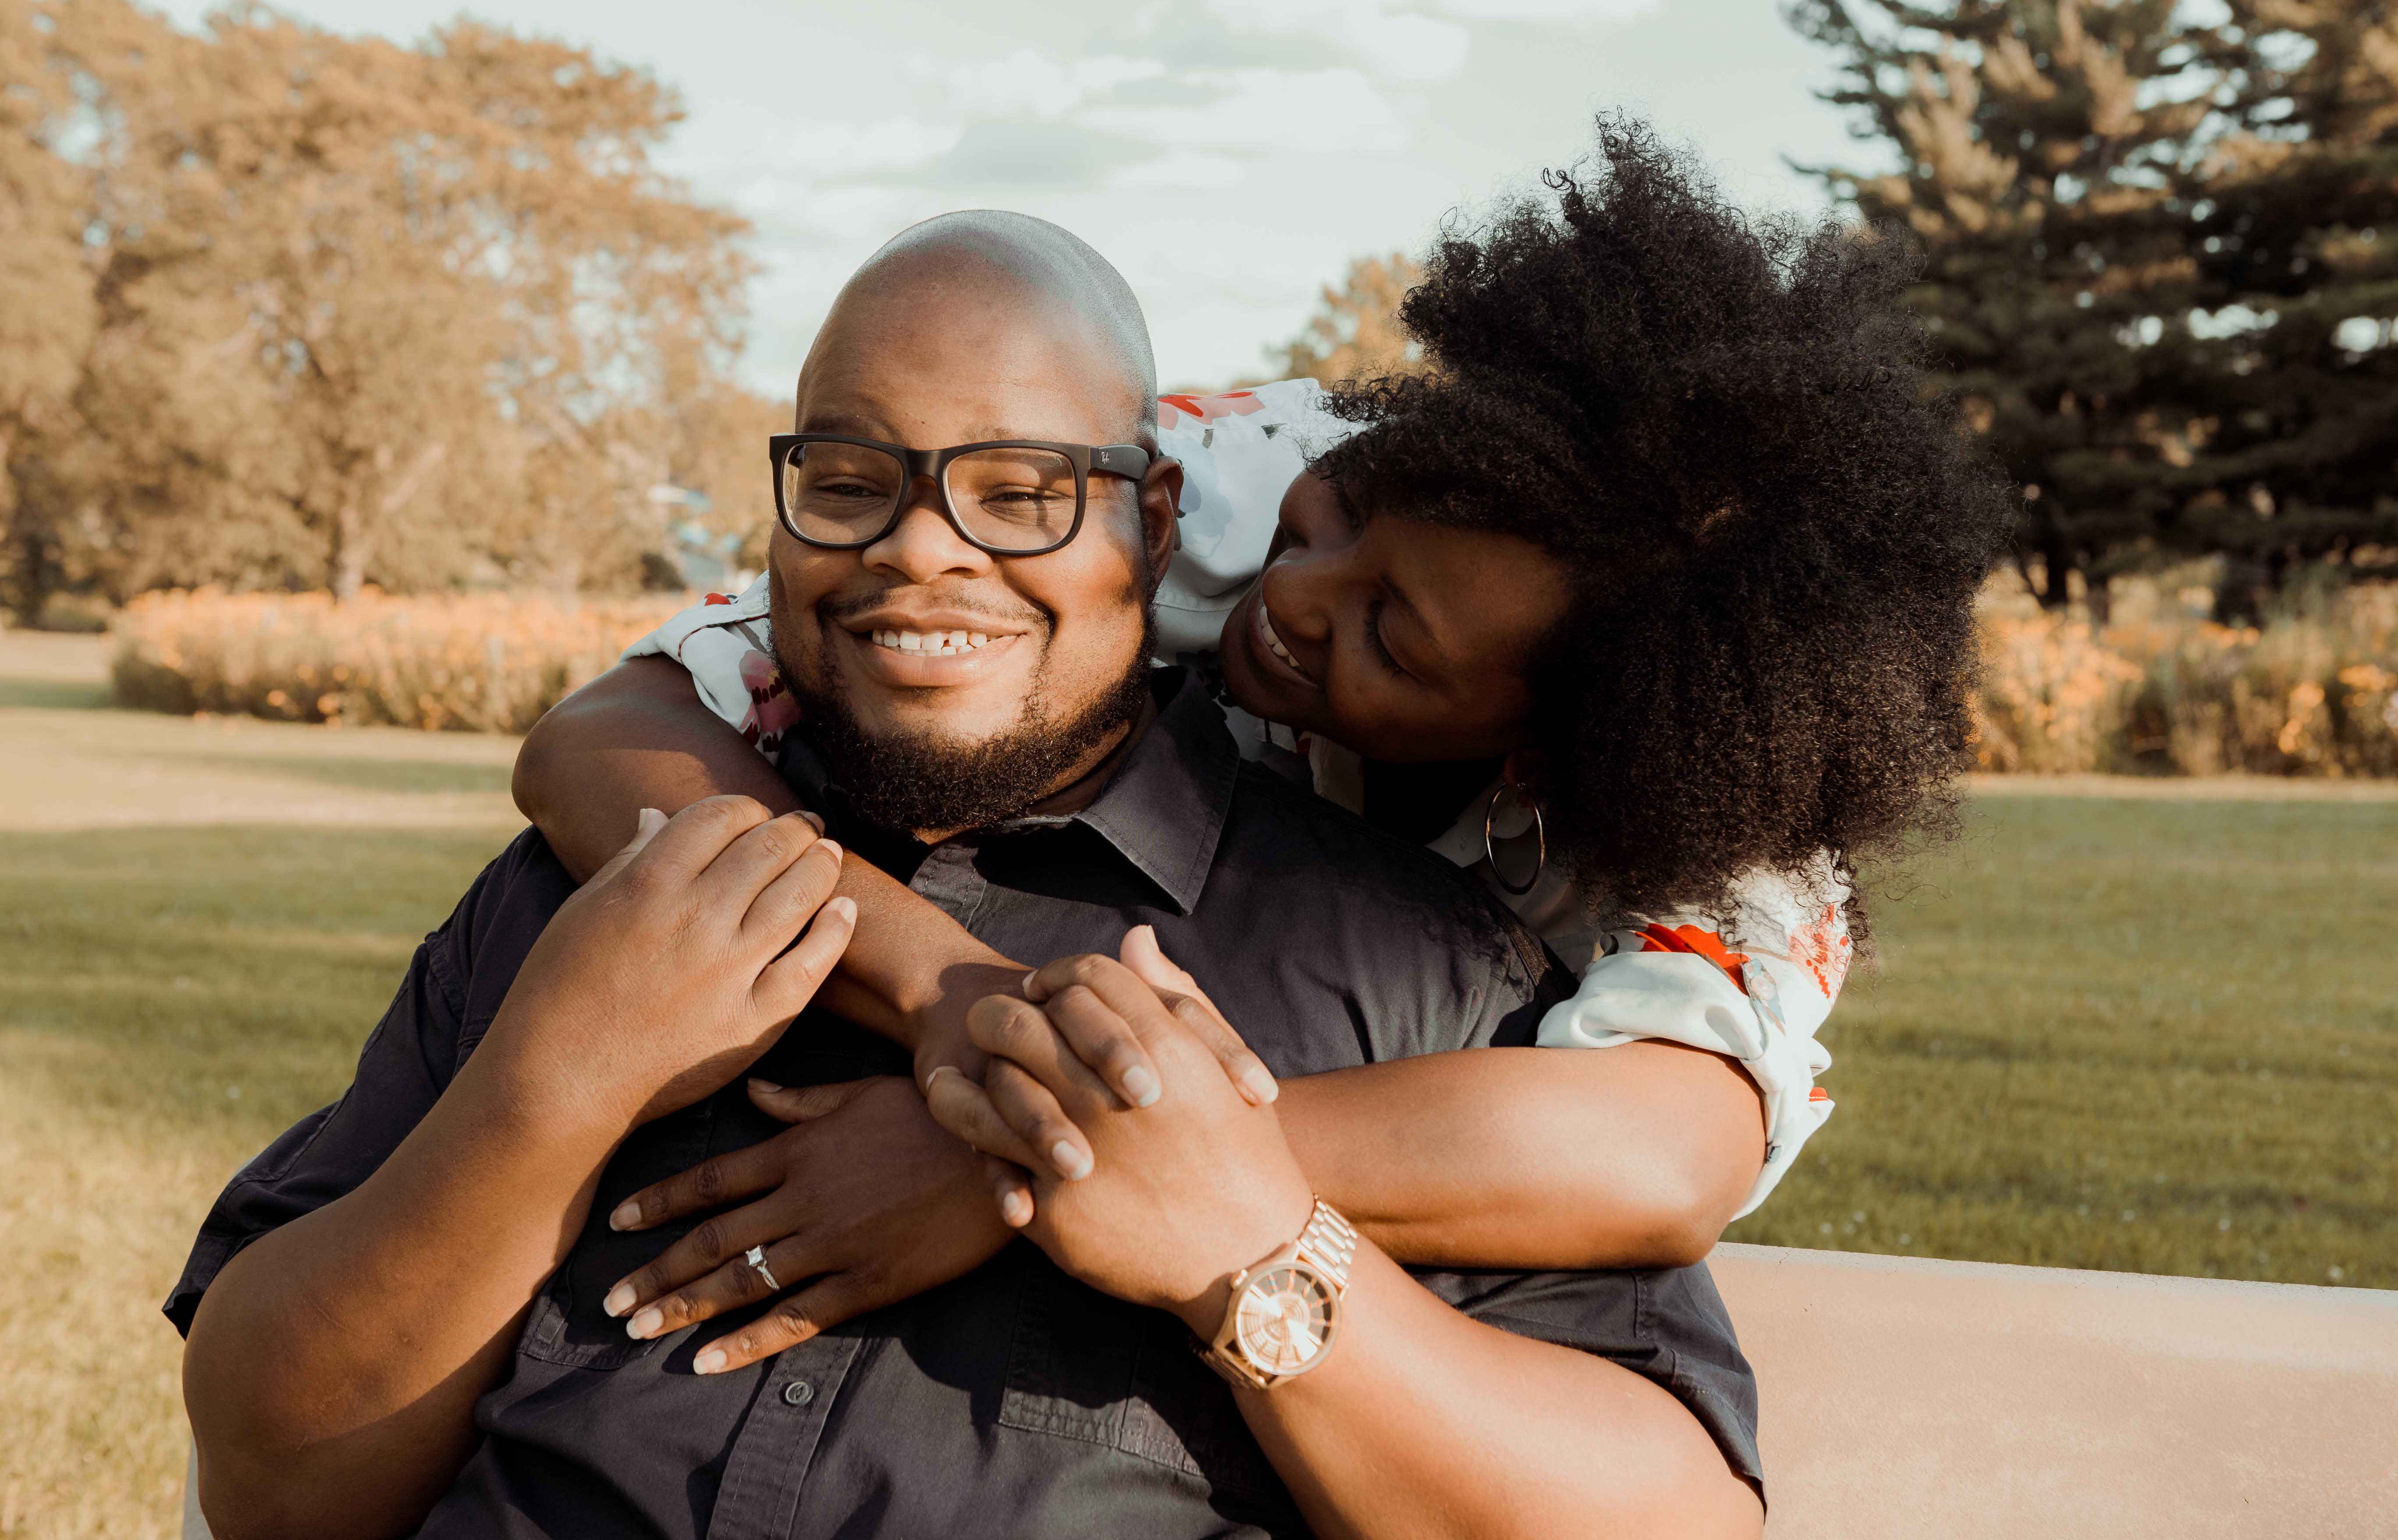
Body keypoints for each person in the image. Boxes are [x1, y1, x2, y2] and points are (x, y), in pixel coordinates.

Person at [172, 207, 1766, 1539]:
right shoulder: (604, 877)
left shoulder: (1424, 974)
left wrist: (1255, 1247)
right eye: (853, 484)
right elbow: (268, 1484)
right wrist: (551, 1093)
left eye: (1019, 494)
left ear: (1148, 526)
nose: (923, 550)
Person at [508, 120, 2007, 1365]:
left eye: (1390, 640)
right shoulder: (1233, 467)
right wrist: (951, 993)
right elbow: (607, 732)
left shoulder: (1722, 855)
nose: (1289, 598)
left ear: (1537, 753)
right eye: (1336, 524)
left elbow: (1658, 1157)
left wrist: (1029, 1160)